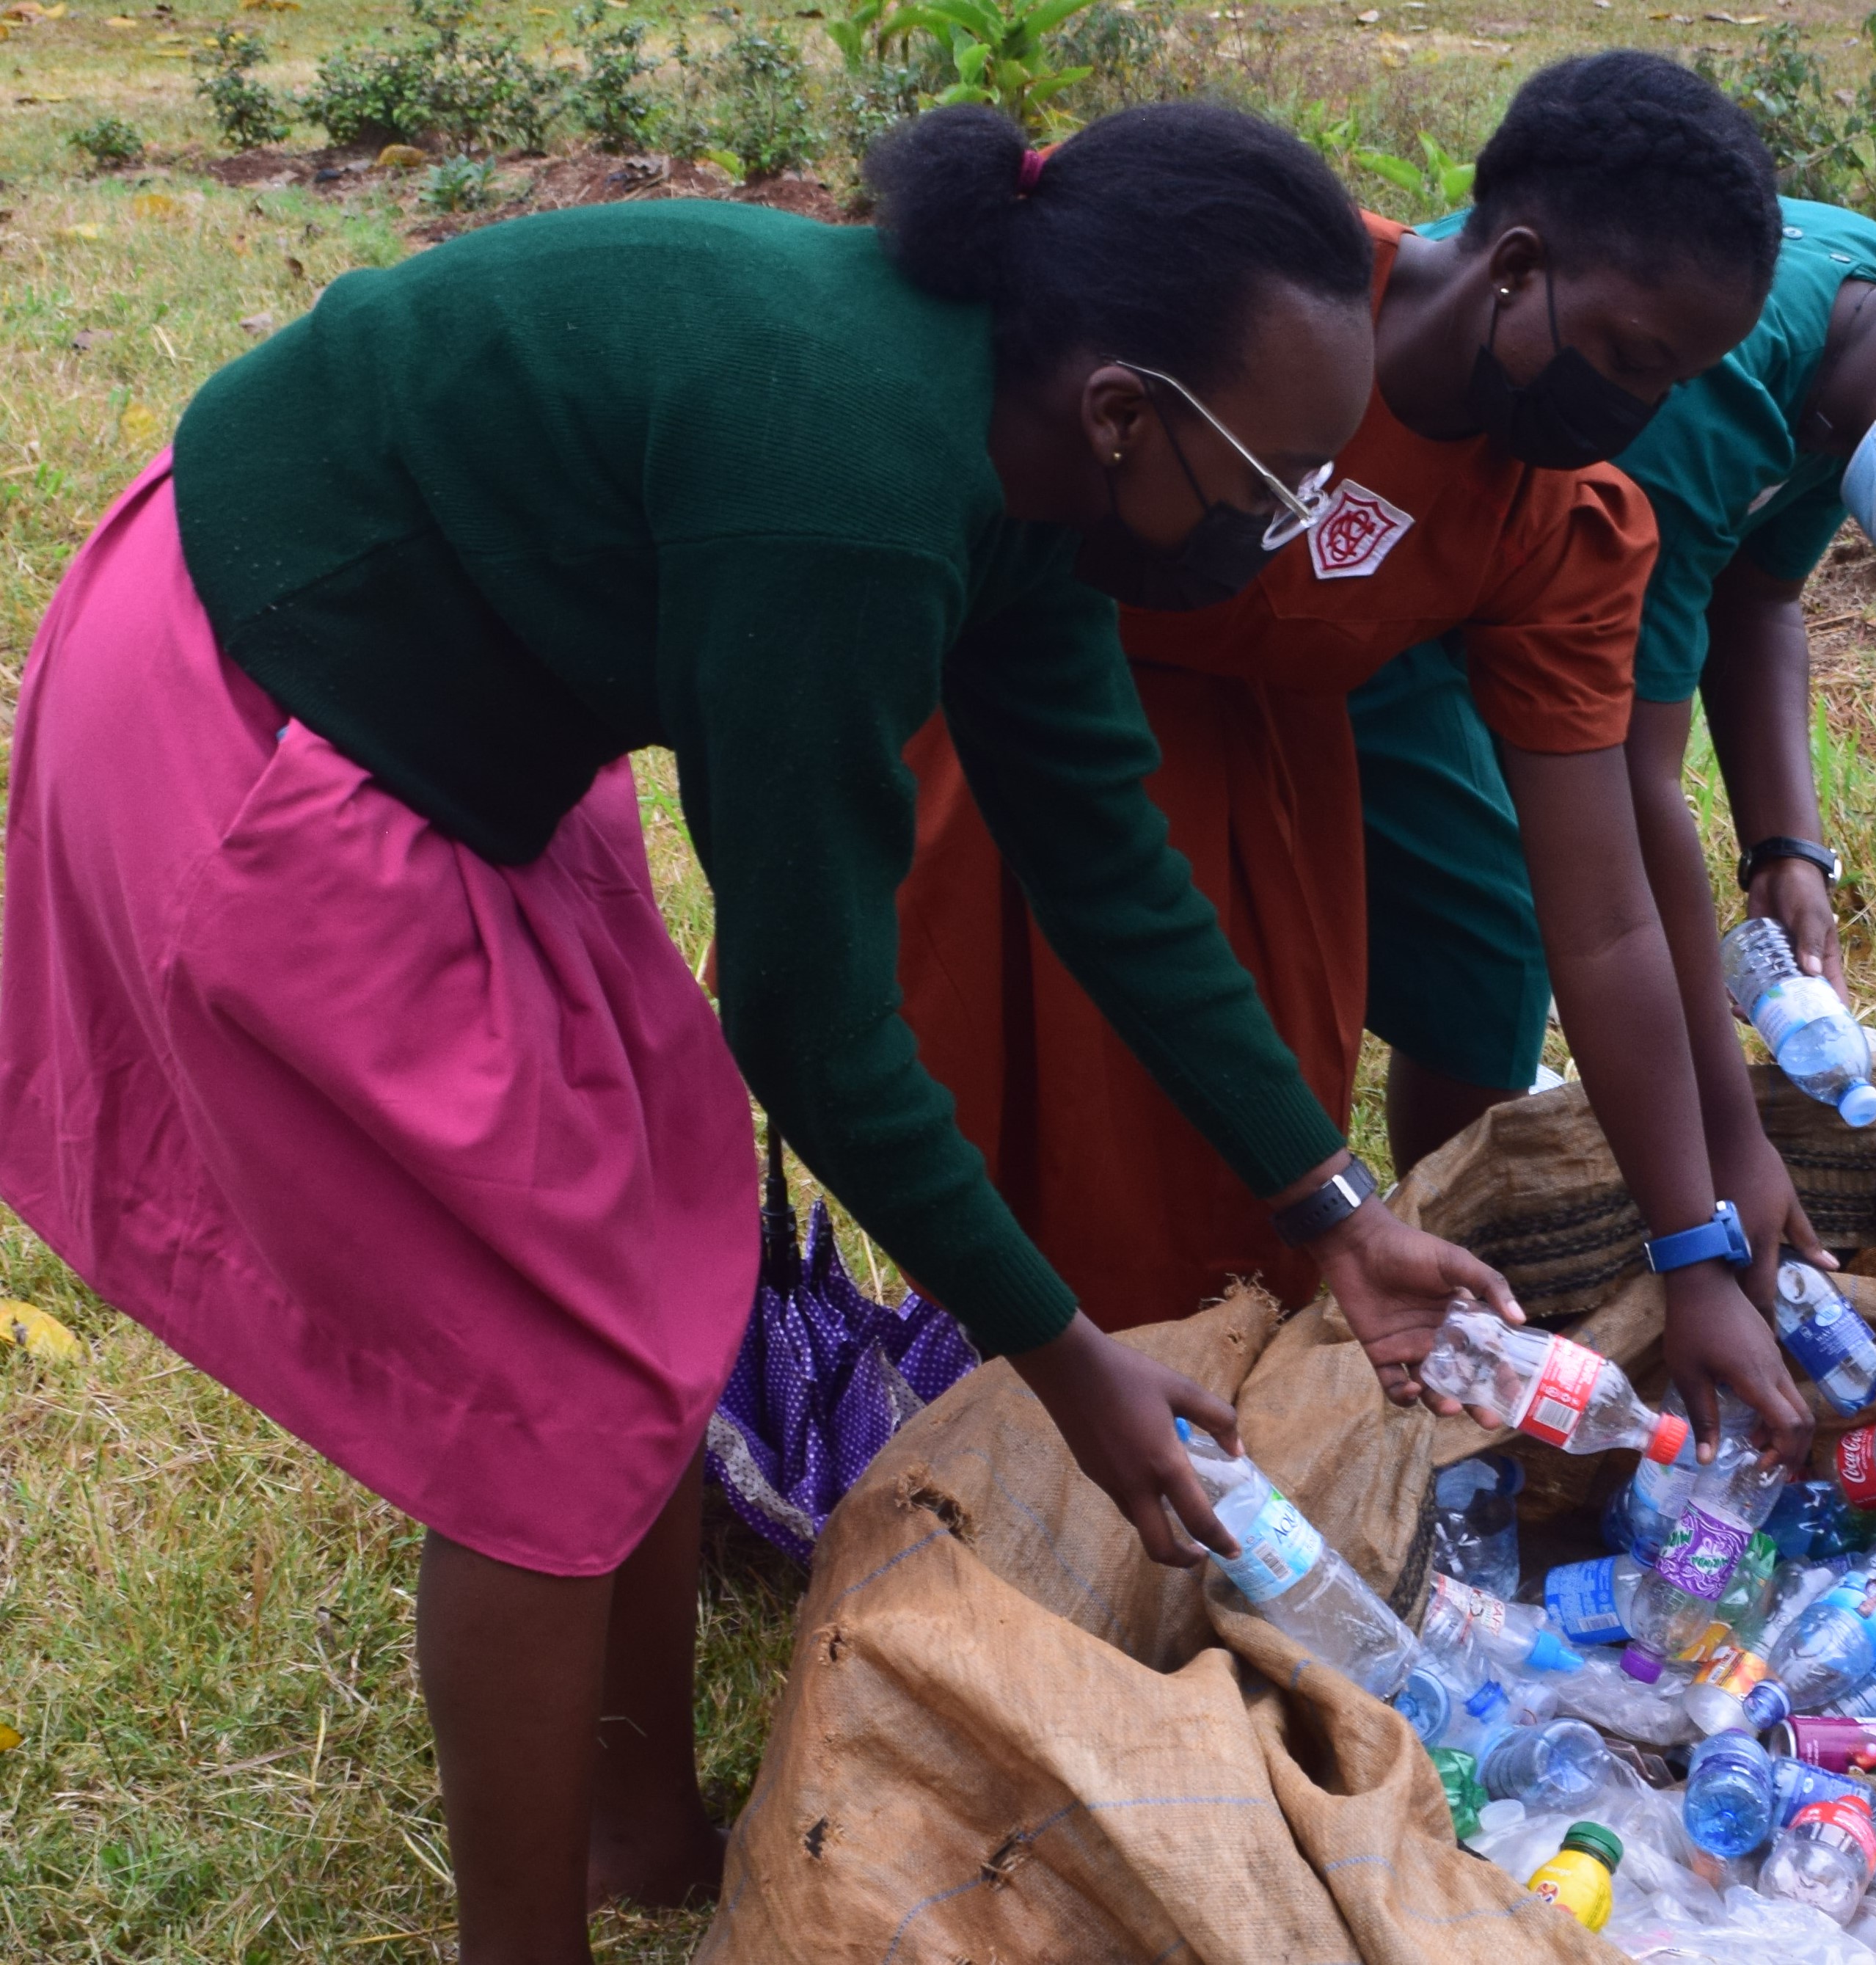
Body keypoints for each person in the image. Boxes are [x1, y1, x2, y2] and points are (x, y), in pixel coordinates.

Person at [0, 103, 1520, 1964]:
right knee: (543, 1385)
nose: (1282, 527)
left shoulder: (1026, 461)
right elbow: (813, 1025)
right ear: (1126, 412)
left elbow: (1105, 856)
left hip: (469, 687)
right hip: (272, 698)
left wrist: (1329, 1202)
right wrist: (1062, 1355)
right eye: (1268, 478)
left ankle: (639, 1821)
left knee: (666, 1246)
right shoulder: (852, 495)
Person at [898, 53, 1820, 1462]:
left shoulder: (1556, 524)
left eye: (1681, 380)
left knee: (1232, 1171)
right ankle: (991, 1416)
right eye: (1633, 357)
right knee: (994, 1098)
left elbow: (1605, 907)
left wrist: (1691, 1241)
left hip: (1258, 771)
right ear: (1516, 264)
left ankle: (1149, 1447)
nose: (1642, 407)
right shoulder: (1262, 293)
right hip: (1030, 706)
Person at [1348, 137, 1876, 1136]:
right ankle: (1471, 1226)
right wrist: (1727, 1134)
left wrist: (1787, 851)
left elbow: (1761, 598)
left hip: (1463, 560)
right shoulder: (1704, 393)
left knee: (1509, 923)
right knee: (1494, 929)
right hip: (1370, 537)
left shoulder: (1865, 330)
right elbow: (1625, 777)